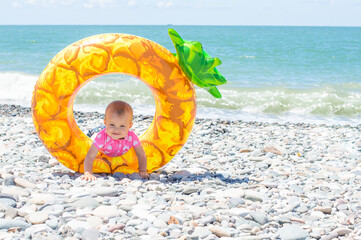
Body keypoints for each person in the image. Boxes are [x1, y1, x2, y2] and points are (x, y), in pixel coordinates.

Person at [81, 101, 149, 181]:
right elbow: (90, 155)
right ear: (105, 122)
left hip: (114, 143)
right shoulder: (102, 136)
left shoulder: (131, 137)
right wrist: (88, 173)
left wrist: (143, 170)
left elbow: (141, 154)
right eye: (112, 125)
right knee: (93, 134)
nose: (117, 130)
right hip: (99, 132)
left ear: (130, 126)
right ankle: (97, 129)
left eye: (122, 126)